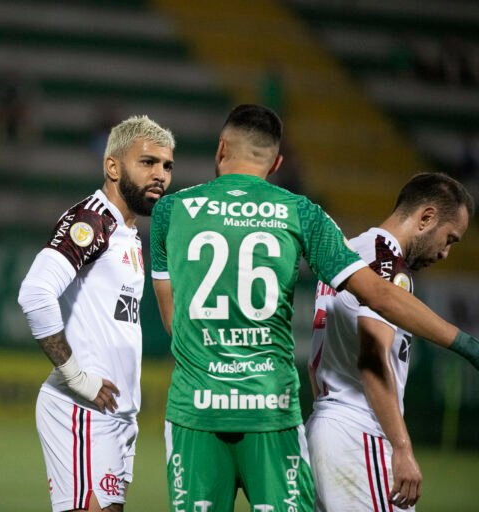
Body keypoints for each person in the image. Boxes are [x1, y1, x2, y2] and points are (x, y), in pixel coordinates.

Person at [150, 104, 479, 512]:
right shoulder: (302, 213)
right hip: (270, 412)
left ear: (221, 149)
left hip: (195, 409)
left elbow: (172, 322)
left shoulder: (170, 211)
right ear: (277, 163)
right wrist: (467, 345)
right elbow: (380, 296)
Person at [18, 115, 174, 512]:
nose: (159, 175)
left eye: (166, 165)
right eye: (147, 163)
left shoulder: (128, 233)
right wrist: (77, 378)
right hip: (83, 410)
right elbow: (35, 293)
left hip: (113, 414)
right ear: (113, 167)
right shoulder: (92, 220)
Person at [307, 173, 473, 511]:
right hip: (359, 435)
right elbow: (372, 359)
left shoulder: (349, 253)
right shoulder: (387, 264)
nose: (445, 252)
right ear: (426, 218)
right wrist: (402, 447)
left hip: (329, 424)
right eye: (450, 238)